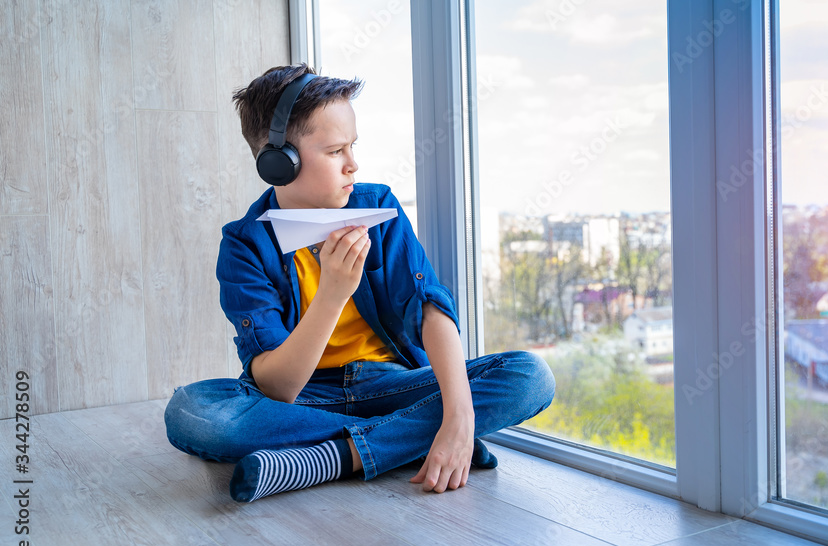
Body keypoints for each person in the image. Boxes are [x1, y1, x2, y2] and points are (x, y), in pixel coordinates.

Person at [163, 64, 555, 503]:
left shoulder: (378, 207)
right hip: (304, 401)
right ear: (279, 164)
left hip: (393, 386)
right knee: (192, 413)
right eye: (335, 152)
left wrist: (460, 420)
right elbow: (278, 388)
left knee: (530, 376)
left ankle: (328, 459)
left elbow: (430, 307)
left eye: (353, 147)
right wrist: (332, 294)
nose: (354, 164)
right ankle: (406, 441)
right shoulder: (244, 245)